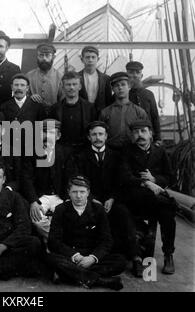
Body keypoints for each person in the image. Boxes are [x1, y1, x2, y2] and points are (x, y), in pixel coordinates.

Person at [76, 121, 141, 277]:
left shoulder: (117, 156)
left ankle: (137, 258)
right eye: (94, 134)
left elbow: (121, 181)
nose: (97, 138)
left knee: (124, 215)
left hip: (112, 200)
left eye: (100, 134)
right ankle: (90, 259)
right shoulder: (80, 156)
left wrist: (112, 198)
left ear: (106, 136)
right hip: (89, 201)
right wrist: (91, 199)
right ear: (88, 137)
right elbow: (79, 181)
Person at [47, 176, 127, 290]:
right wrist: (75, 256)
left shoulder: (98, 209)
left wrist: (92, 258)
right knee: (51, 259)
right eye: (74, 192)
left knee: (120, 261)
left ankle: (70, 275)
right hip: (71, 256)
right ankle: (100, 281)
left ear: (88, 193)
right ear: (68, 193)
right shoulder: (61, 209)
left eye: (82, 192)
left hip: (90, 255)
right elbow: (53, 241)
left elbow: (106, 240)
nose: (78, 196)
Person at [119, 119, 176, 274]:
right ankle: (136, 258)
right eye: (136, 132)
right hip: (134, 198)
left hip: (155, 200)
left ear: (151, 134)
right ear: (132, 135)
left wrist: (155, 180)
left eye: (143, 131)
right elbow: (124, 176)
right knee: (124, 214)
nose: (140, 135)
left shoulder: (160, 152)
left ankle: (168, 254)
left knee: (168, 213)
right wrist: (144, 183)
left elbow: (170, 177)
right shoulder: (126, 151)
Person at [22, 119, 75, 244]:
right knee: (36, 219)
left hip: (60, 196)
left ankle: (51, 245)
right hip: (40, 197)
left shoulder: (66, 152)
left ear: (58, 135)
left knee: (70, 218)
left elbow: (71, 177)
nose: (47, 136)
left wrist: (68, 198)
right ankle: (58, 244)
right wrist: (33, 201)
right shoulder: (31, 152)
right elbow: (26, 178)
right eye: (44, 132)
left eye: (51, 132)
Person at [99, 72, 148, 150]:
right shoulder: (105, 113)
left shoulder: (139, 112)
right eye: (116, 86)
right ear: (113, 89)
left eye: (123, 84)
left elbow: (146, 135)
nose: (120, 88)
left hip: (133, 152)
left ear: (129, 86)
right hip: (112, 152)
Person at [49, 71, 96, 152]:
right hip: (62, 150)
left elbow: (94, 131)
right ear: (63, 87)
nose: (71, 87)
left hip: (84, 150)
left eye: (74, 84)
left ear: (80, 86)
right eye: (68, 84)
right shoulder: (55, 108)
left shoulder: (90, 108)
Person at [0, 73, 46, 155]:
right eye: (16, 85)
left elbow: (41, 130)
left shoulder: (37, 106)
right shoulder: (4, 106)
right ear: (11, 87)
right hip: (11, 150)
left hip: (31, 150)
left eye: (22, 85)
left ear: (27, 88)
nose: (19, 88)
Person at [126, 61, 162, 144]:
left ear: (141, 76)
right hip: (131, 137)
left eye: (137, 72)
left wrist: (158, 138)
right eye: (131, 72)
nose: (134, 75)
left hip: (147, 137)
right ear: (127, 75)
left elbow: (155, 116)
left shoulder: (149, 94)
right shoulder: (124, 95)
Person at [26, 43, 63, 107]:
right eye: (41, 55)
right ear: (37, 57)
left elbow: (63, 100)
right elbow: (22, 97)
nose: (44, 58)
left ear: (53, 57)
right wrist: (30, 97)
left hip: (54, 114)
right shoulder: (29, 76)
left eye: (47, 55)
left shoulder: (60, 77)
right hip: (33, 114)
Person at [78, 46, 113, 113]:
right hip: (82, 113)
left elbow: (108, 100)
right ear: (82, 59)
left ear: (98, 59)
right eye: (87, 57)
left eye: (93, 57)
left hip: (100, 114)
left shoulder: (105, 79)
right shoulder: (76, 78)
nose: (90, 60)